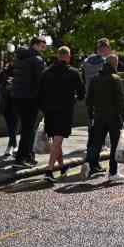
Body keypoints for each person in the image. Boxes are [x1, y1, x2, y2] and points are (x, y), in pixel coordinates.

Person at [39, 46, 82, 182]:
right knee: (58, 141)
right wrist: (73, 99)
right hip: (64, 111)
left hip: (49, 111)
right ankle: (49, 170)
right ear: (68, 57)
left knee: (56, 141)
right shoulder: (74, 73)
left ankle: (62, 167)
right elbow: (81, 94)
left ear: (58, 56)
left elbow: (39, 93)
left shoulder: (46, 72)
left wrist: (44, 108)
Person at [82, 54, 124, 182]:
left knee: (96, 143)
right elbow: (120, 101)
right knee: (114, 145)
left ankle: (90, 165)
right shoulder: (115, 79)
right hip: (113, 117)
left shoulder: (95, 78)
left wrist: (91, 116)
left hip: (98, 116)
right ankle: (113, 173)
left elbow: (89, 100)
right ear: (114, 64)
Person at [11, 37, 46, 168]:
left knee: (25, 128)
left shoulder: (20, 57)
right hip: (31, 98)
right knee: (29, 129)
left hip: (17, 96)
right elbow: (41, 81)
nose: (44, 49)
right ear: (35, 45)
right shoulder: (36, 60)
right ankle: (22, 158)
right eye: (43, 46)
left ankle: (28, 155)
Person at [0, 56, 18, 157]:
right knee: (10, 126)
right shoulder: (5, 71)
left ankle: (11, 146)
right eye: (11, 61)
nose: (12, 63)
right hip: (6, 102)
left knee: (13, 125)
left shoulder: (20, 71)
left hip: (15, 101)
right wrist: (3, 70)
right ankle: (13, 145)